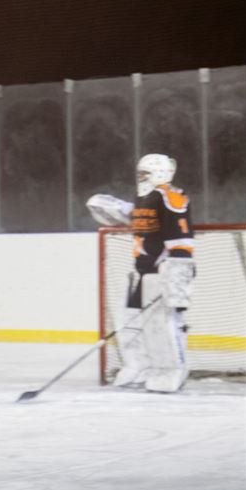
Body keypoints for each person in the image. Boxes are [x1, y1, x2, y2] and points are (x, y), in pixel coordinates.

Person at [87, 153, 195, 393]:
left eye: (146, 173)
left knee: (162, 325)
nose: (141, 178)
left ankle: (170, 371)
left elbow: (182, 238)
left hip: (163, 271)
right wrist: (113, 208)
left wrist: (176, 274)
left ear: (160, 173)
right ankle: (139, 367)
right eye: (140, 173)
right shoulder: (144, 198)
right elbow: (136, 216)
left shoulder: (171, 197)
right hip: (142, 271)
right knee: (129, 321)